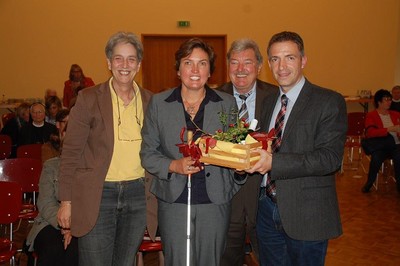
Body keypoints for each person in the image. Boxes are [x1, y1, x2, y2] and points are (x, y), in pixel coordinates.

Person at [140, 37, 245, 266]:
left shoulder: (226, 104)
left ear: (211, 71)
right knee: (177, 261)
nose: (195, 70)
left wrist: (239, 171)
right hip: (173, 200)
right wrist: (173, 165)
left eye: (203, 63)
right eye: (188, 62)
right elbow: (148, 153)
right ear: (178, 69)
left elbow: (237, 151)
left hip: (215, 200)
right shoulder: (159, 103)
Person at [246, 31, 346, 266]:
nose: (281, 66)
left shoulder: (328, 101)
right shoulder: (268, 100)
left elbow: (330, 158)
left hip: (307, 214)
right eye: (274, 59)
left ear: (303, 60)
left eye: (289, 58)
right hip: (266, 210)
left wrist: (274, 163)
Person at [56, 31, 152, 266]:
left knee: (125, 262)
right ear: (109, 62)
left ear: (139, 65)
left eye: (131, 59)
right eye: (118, 58)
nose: (125, 65)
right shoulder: (88, 98)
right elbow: (70, 154)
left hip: (138, 196)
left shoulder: (151, 101)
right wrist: (66, 201)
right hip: (98, 195)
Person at [218, 38, 278, 265]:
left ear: (260, 67)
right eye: (234, 63)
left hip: (265, 196)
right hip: (227, 197)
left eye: (247, 63)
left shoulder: (275, 96)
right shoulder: (213, 97)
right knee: (226, 258)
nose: (240, 69)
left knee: (269, 257)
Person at [25, 109, 78, 266]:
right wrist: (65, 226)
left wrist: (74, 226)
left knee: (75, 250)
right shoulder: (51, 166)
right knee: (53, 249)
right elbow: (45, 203)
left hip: (82, 224)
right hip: (50, 222)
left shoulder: (93, 169)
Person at [361, 89, 400, 193]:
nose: (389, 102)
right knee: (376, 158)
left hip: (397, 145)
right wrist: (389, 129)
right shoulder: (371, 115)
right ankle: (369, 183)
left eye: (390, 99)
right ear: (379, 102)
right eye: (386, 99)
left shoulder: (396, 114)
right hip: (381, 145)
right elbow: (371, 133)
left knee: (399, 157)